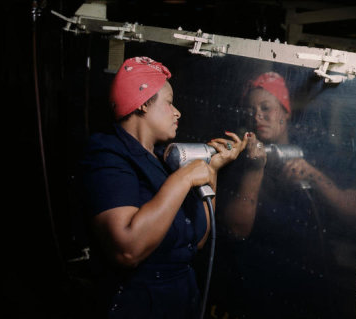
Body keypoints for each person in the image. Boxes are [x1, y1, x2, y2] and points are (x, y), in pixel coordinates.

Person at [79, 56, 249, 319]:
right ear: (144, 104)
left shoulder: (160, 160)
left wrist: (212, 170)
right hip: (138, 306)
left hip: (180, 299)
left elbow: (199, 240)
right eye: (169, 103)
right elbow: (127, 249)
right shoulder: (108, 156)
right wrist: (183, 179)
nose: (177, 112)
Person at [210, 71, 356, 318]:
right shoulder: (238, 159)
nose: (257, 116)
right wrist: (255, 168)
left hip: (311, 285)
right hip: (257, 286)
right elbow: (236, 229)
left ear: (285, 112)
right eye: (251, 110)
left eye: (266, 107)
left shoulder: (315, 151)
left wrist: (314, 176)